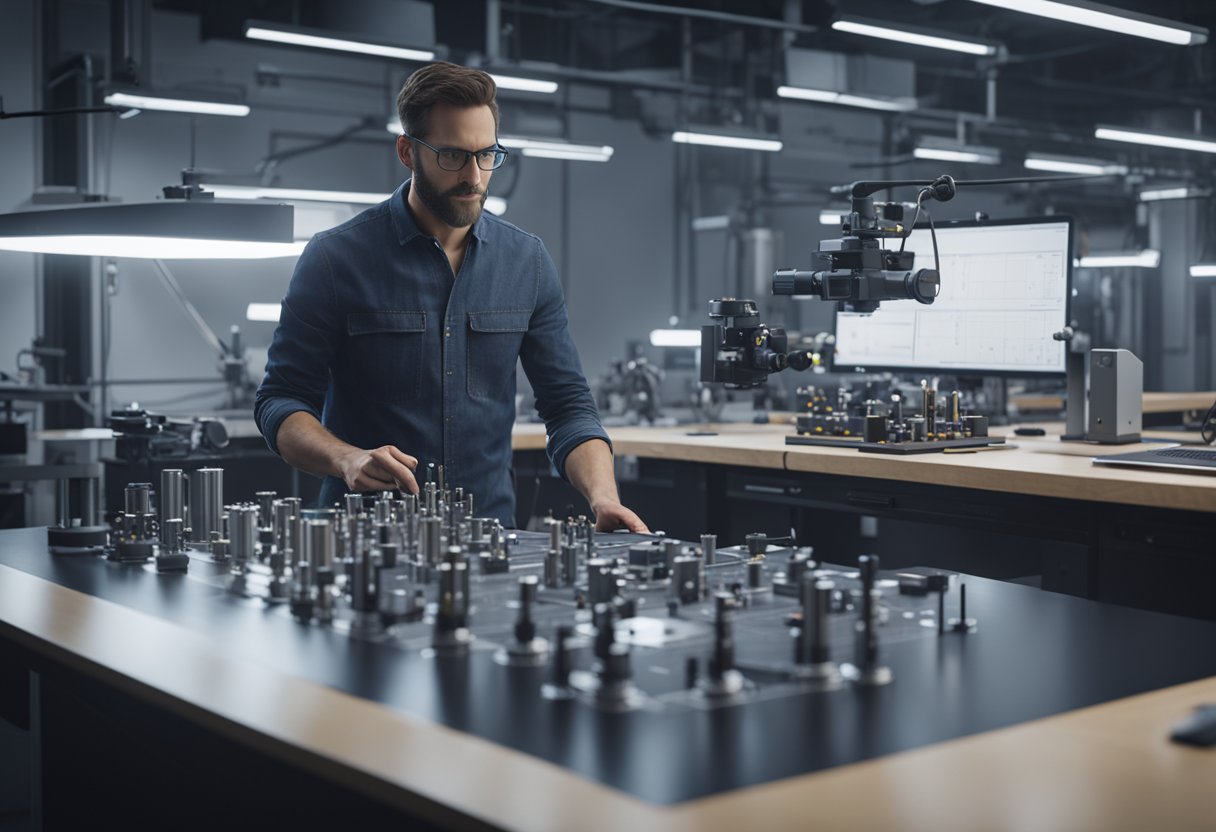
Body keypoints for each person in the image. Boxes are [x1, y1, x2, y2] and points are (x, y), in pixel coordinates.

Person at [255, 61, 647, 533]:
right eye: (452, 156)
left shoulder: (528, 261)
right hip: (361, 540)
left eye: (487, 155)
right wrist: (347, 459)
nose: (474, 176)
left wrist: (603, 498)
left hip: (490, 539)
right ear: (407, 151)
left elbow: (568, 407)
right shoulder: (335, 259)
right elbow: (280, 401)